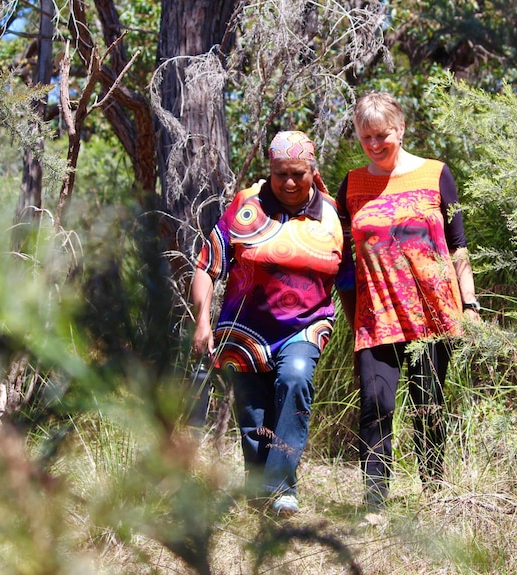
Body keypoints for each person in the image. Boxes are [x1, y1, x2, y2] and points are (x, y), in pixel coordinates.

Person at [190, 130, 345, 516]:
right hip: (244, 330)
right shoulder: (247, 206)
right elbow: (208, 266)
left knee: (294, 379)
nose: (289, 182)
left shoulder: (331, 215)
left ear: (314, 171)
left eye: (298, 173)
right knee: (254, 416)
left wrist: (362, 328)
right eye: (280, 174)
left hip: (305, 327)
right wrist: (202, 321)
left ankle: (281, 489)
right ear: (269, 171)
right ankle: (260, 497)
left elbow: (348, 277)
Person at [336, 92, 479, 508]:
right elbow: (343, 257)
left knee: (428, 405)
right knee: (374, 406)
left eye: (382, 135)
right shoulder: (352, 184)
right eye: (366, 138)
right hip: (376, 316)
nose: (375, 145)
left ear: (399, 129)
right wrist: (349, 315)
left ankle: (436, 496)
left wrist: (469, 305)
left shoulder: (436, 174)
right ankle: (375, 505)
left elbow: (458, 245)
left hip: (434, 315)